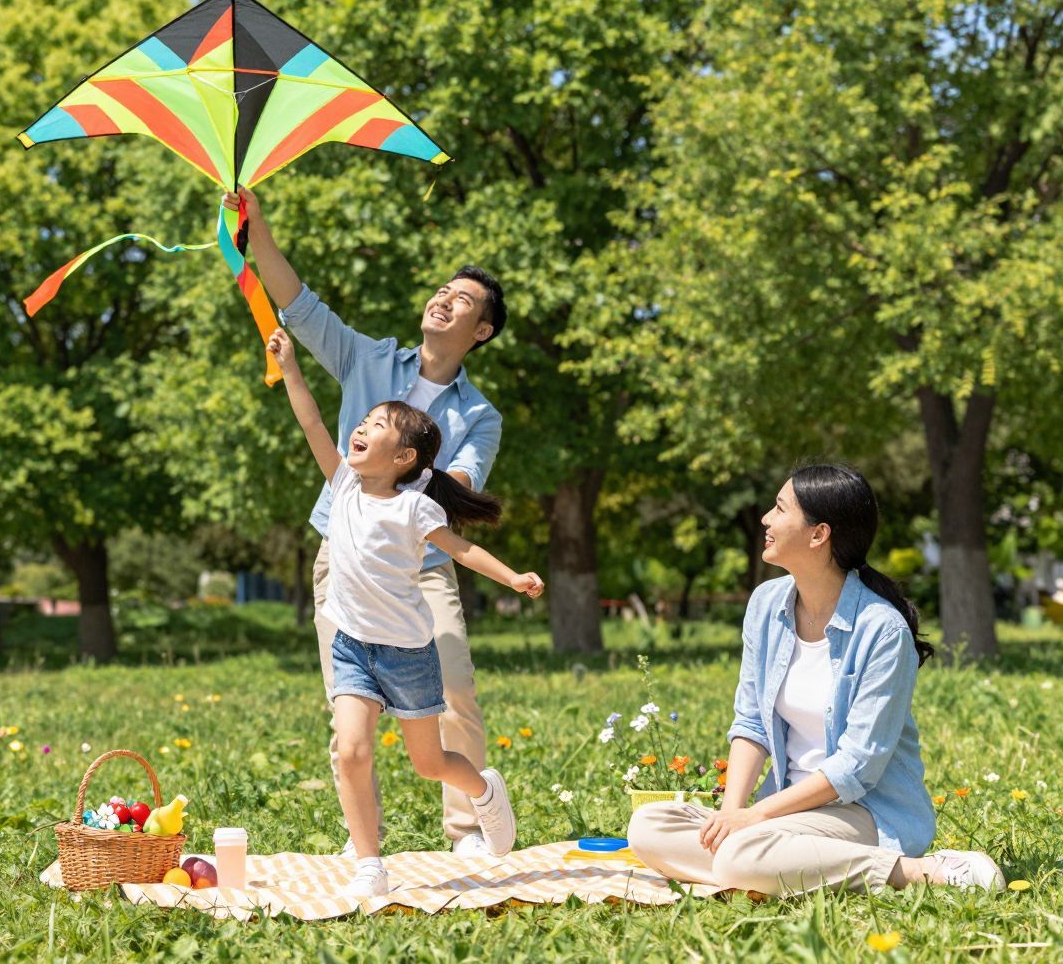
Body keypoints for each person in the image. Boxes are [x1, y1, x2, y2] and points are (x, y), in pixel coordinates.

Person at [224, 187, 507, 856]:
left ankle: (468, 824)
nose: (444, 299)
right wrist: (257, 227)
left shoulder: (479, 416)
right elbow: (298, 304)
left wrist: (387, 469)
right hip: (344, 558)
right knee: (350, 704)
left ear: (482, 331)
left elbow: (458, 490)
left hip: (424, 564)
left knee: (455, 689)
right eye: (442, 290)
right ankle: (363, 842)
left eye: (462, 300)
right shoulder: (368, 359)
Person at [628, 464, 1005, 895]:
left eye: (779, 508)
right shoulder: (767, 603)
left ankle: (922, 871)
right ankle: (768, 865)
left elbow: (856, 767)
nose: (766, 519)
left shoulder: (882, 630)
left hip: (862, 810)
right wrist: (731, 816)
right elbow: (751, 722)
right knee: (647, 825)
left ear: (818, 534)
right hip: (783, 810)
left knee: (743, 854)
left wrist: (756, 818)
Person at [265, 328, 543, 897]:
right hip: (353, 648)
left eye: (375, 428)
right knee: (350, 749)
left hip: (408, 654)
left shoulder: (415, 509)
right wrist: (291, 367)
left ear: (405, 457)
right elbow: (313, 422)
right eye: (362, 424)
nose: (360, 430)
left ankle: (485, 791)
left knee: (431, 763)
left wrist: (513, 577)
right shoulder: (341, 484)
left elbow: (463, 550)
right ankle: (370, 862)